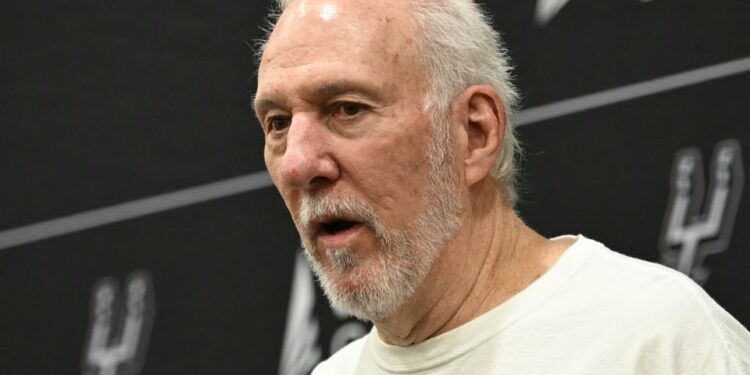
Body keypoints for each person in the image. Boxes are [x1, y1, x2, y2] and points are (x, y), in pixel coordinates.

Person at [253, 0, 750, 373]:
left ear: (474, 133)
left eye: (347, 108)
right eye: (277, 122)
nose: (297, 163)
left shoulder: (657, 339)